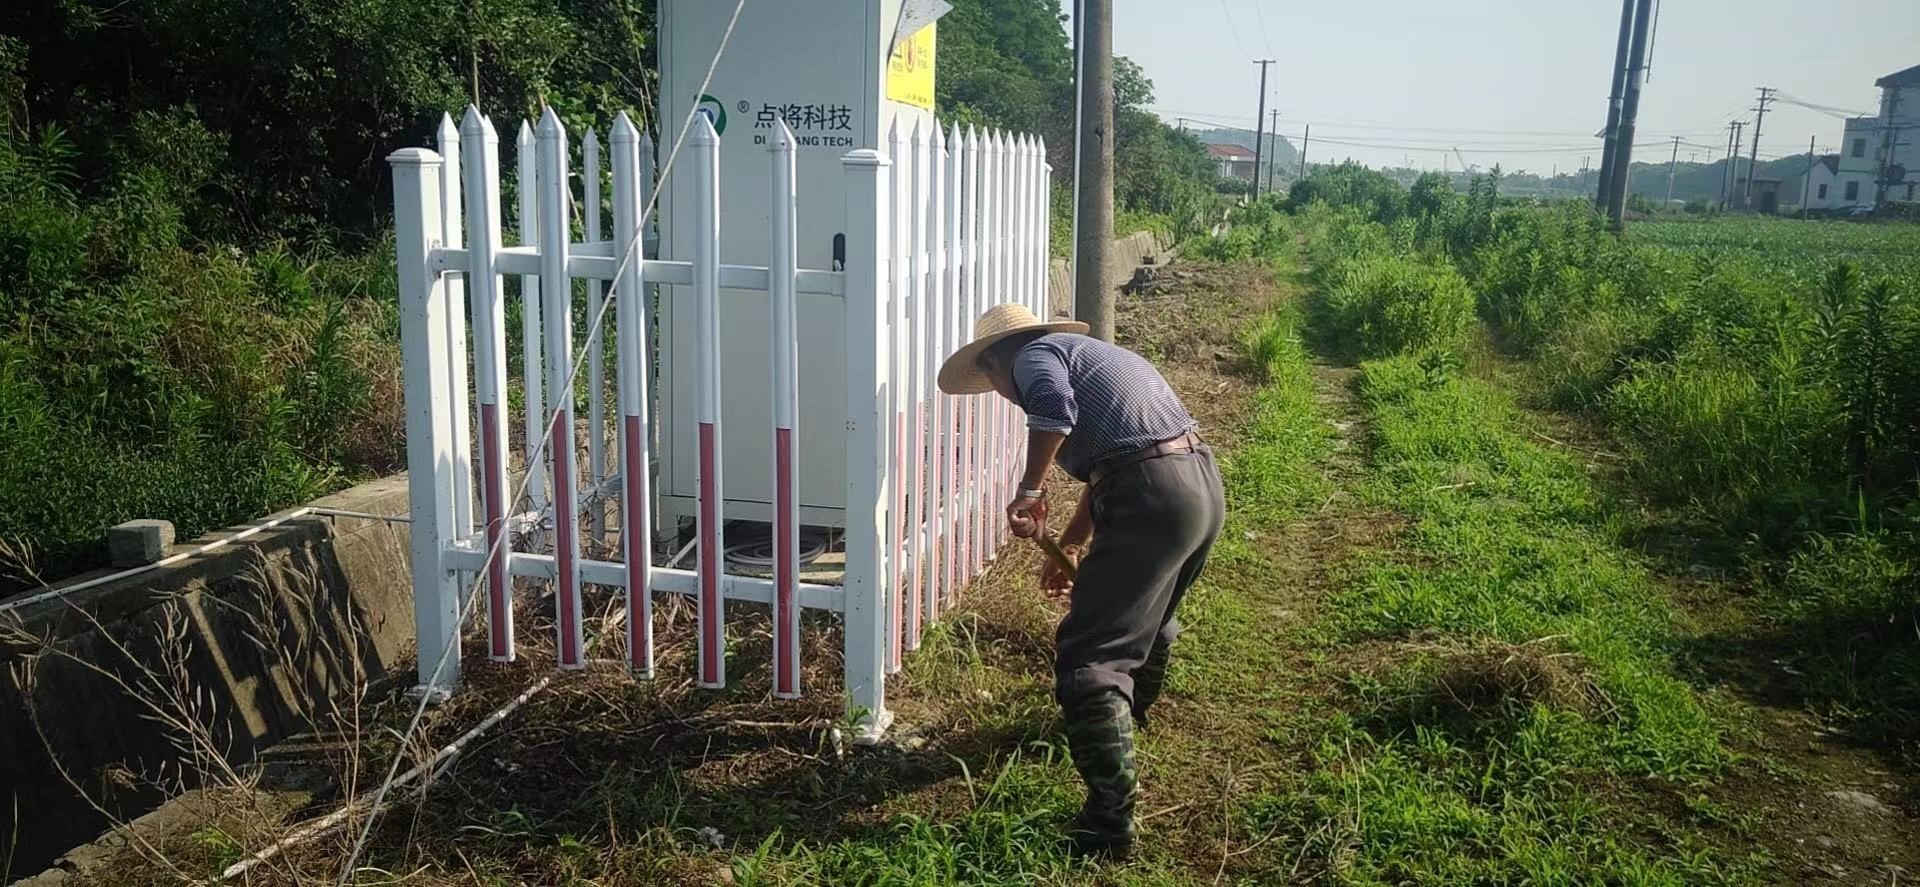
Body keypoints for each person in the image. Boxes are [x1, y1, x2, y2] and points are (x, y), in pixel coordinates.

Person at [936, 303, 1226, 860]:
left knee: (1089, 659)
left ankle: (1107, 826)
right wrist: (1070, 542)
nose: (1002, 392)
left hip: (1151, 493)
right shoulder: (1095, 357)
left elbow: (1053, 409)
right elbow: (1114, 460)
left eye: (992, 382)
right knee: (1150, 618)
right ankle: (1129, 720)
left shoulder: (1033, 355)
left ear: (994, 362)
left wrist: (1030, 491)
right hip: (1198, 484)